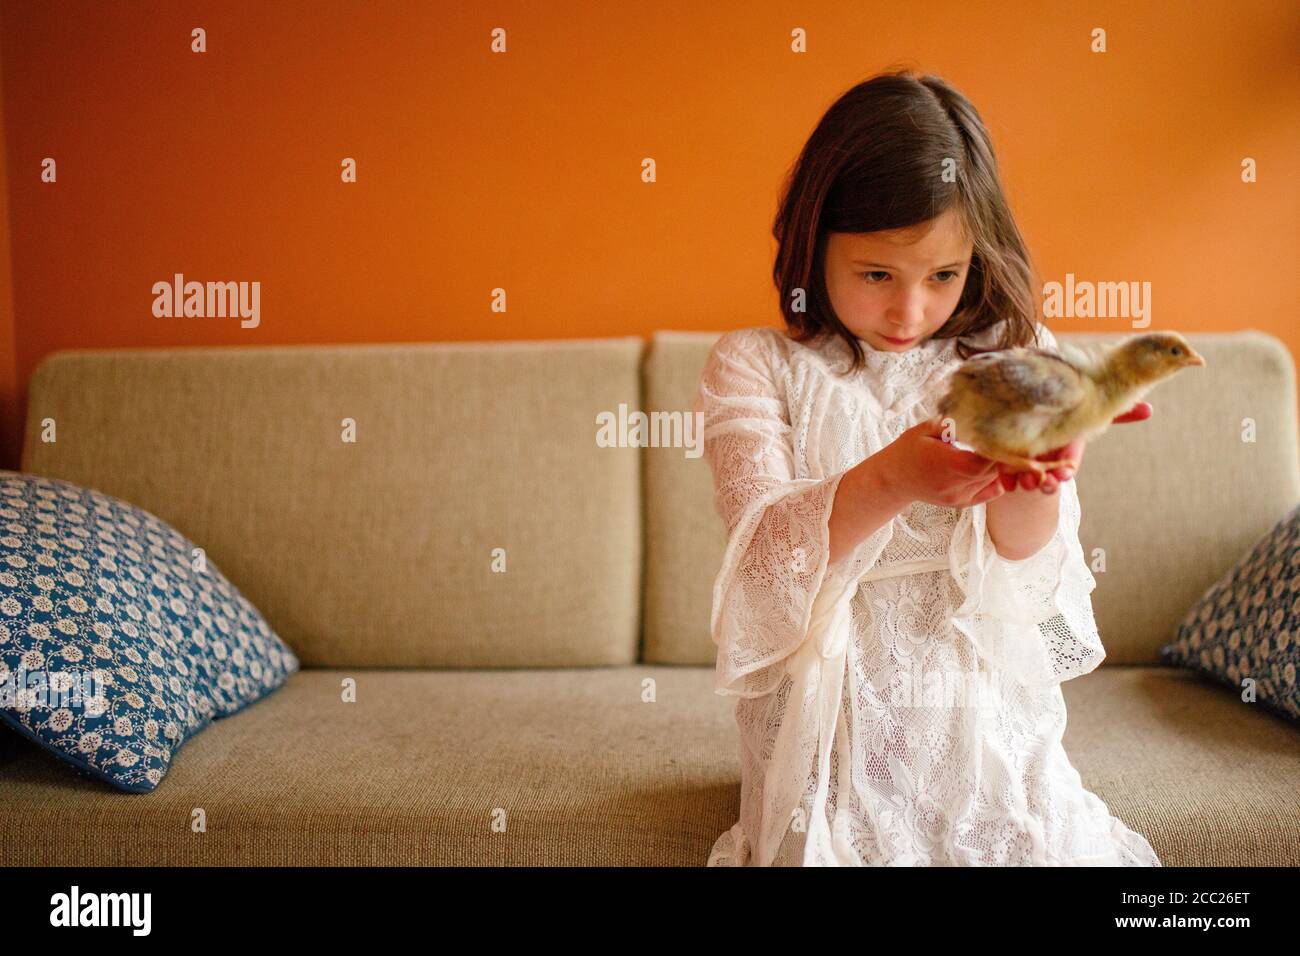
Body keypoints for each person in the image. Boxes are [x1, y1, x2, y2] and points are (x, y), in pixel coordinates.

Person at [695, 69, 1161, 866]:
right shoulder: (754, 365)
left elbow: (1027, 578)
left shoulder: (1015, 357)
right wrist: (893, 478)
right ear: (814, 240)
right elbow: (764, 570)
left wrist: (1033, 484)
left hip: (974, 696)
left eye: (943, 276)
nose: (910, 312)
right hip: (828, 710)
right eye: (877, 274)